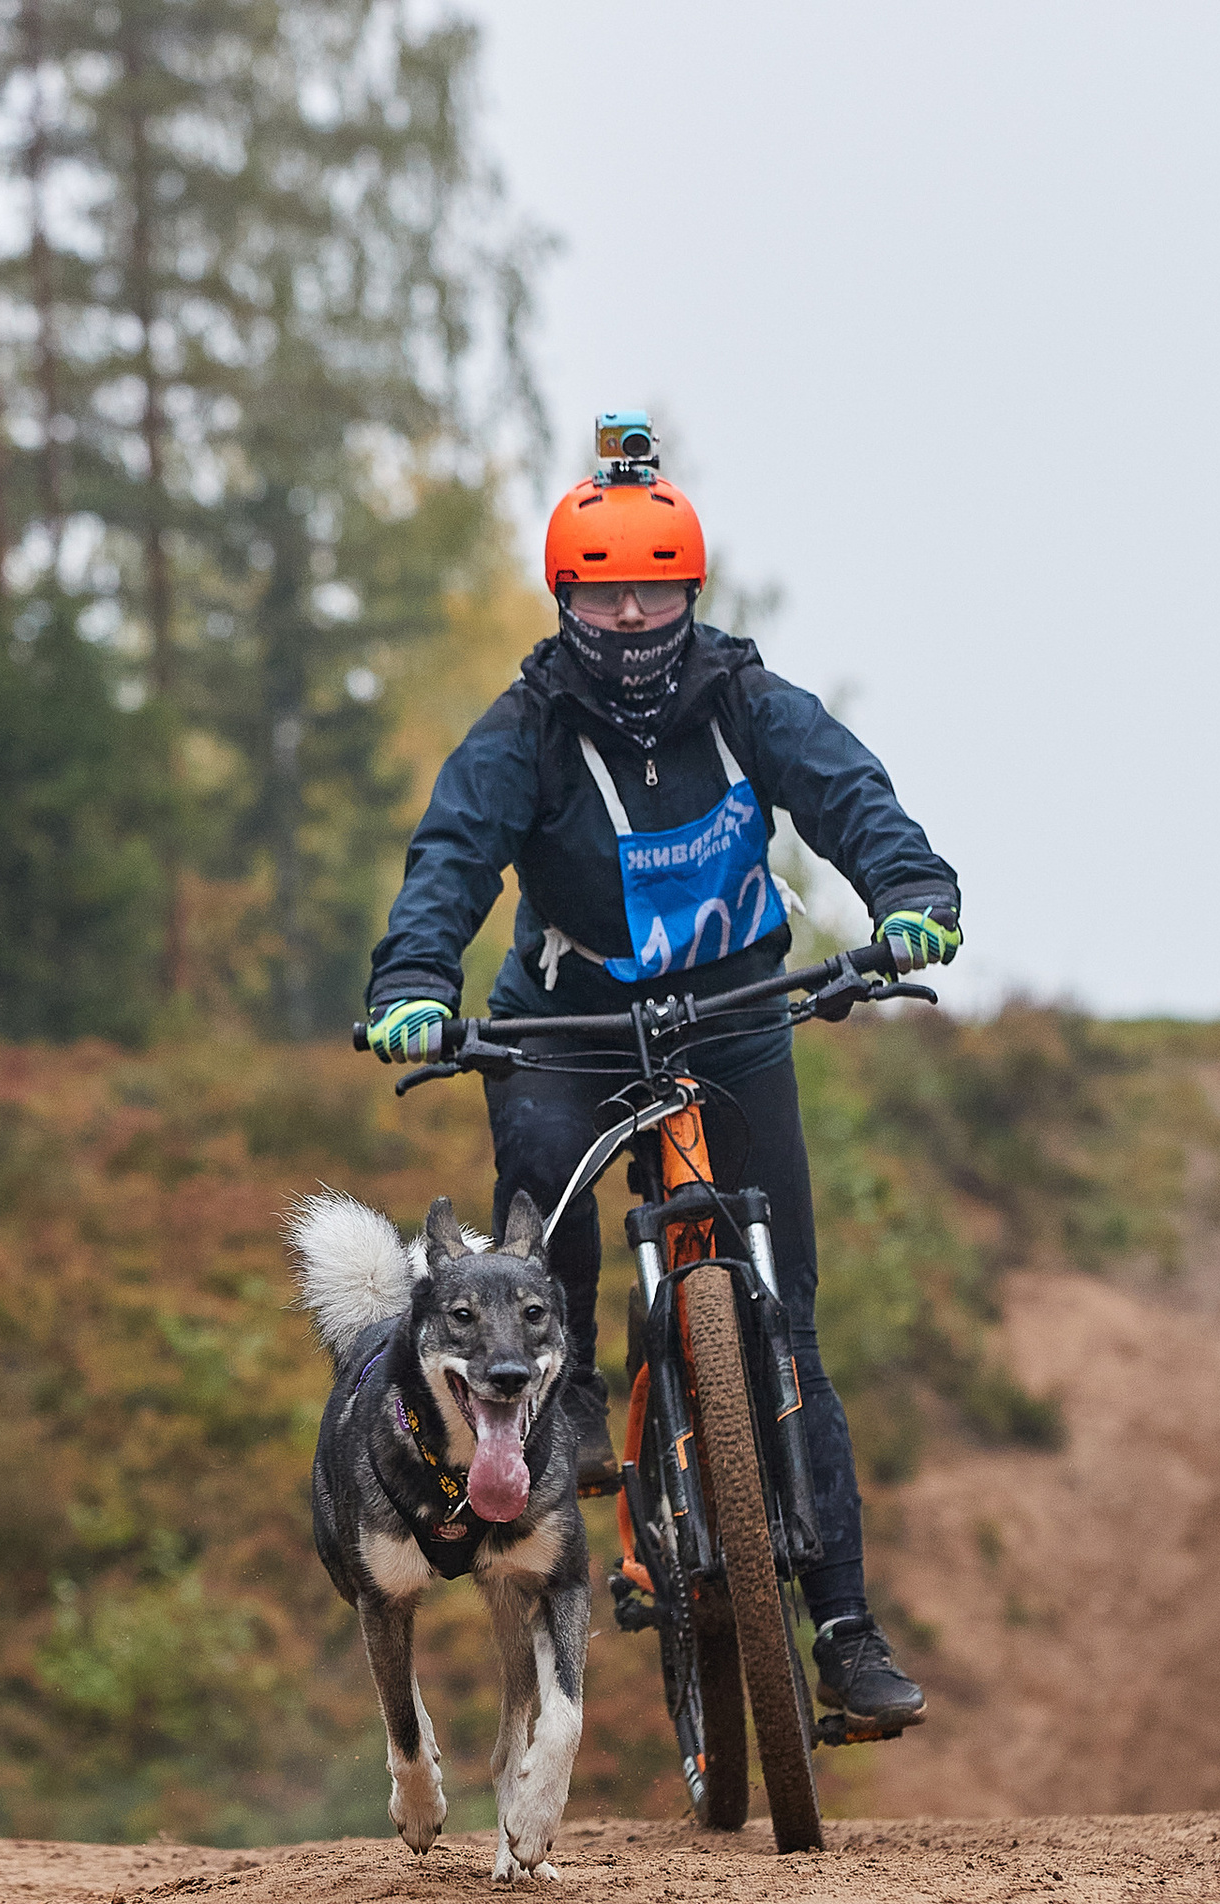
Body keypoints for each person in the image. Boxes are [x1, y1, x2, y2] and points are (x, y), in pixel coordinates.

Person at [360, 414, 961, 1728]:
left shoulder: (748, 700)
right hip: (566, 1034)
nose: (633, 618)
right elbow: (451, 862)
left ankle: (847, 1635)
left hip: (738, 1015)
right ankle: (567, 1405)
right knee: (546, 1229)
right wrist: (414, 986)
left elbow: (851, 796)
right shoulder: (523, 730)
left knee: (785, 1322)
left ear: (692, 590)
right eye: (605, 592)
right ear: (566, 596)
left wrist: (910, 897)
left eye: (657, 590)